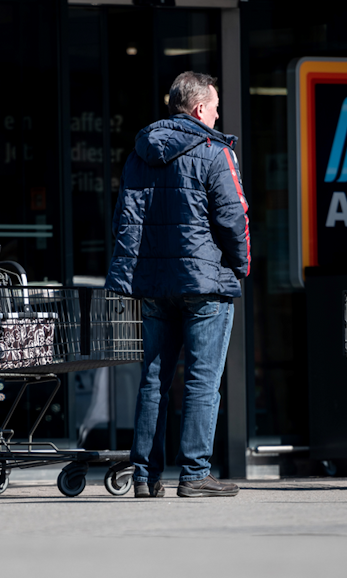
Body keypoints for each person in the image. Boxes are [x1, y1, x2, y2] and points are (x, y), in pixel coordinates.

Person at [105, 71, 251, 498]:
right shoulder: (214, 150)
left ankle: (145, 476)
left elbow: (123, 222)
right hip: (205, 283)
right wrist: (241, 266)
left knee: (154, 378)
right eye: (217, 105)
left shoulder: (140, 153)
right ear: (200, 108)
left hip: (154, 285)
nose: (219, 113)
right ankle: (194, 474)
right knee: (203, 379)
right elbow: (233, 216)